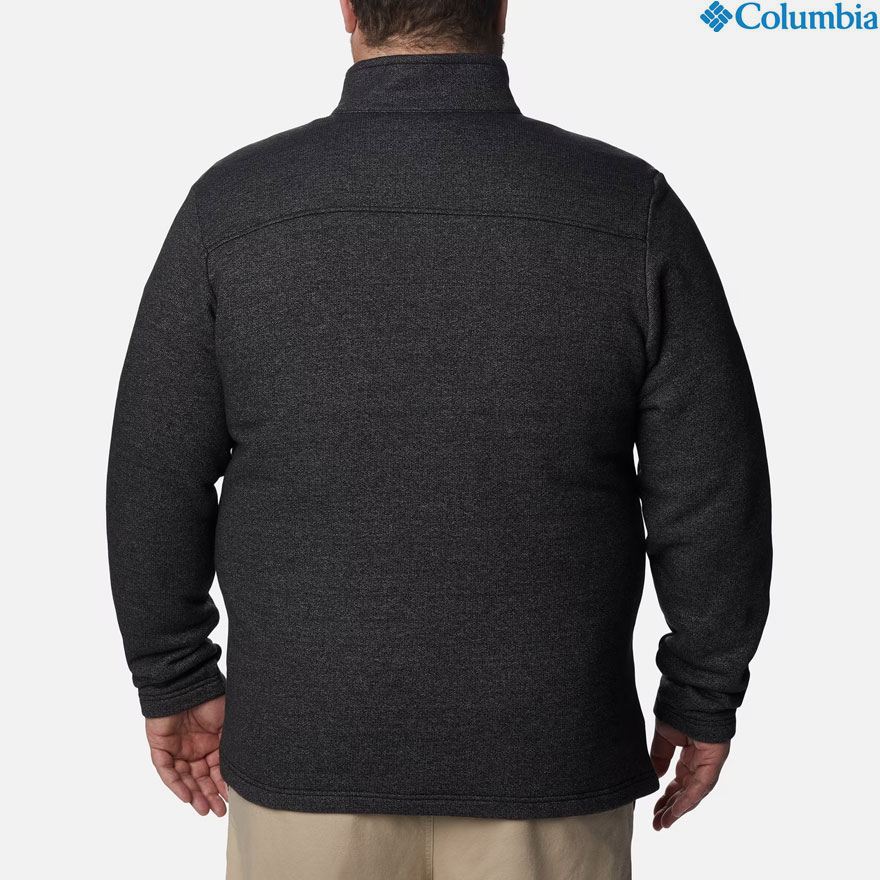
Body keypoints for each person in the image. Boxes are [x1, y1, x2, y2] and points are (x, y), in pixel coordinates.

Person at [105, 1, 773, 877]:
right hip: (550, 755)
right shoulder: (626, 206)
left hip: (311, 752)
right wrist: (703, 690)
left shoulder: (231, 209)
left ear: (348, 10)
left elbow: (155, 473)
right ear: (501, 9)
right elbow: (711, 487)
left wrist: (176, 676)